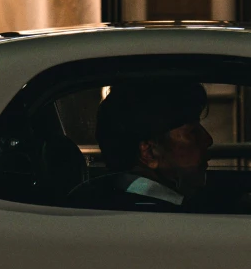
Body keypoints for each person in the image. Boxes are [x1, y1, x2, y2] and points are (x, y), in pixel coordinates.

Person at [67, 77, 212, 210]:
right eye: (192, 132)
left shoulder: (90, 200)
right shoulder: (166, 218)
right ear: (149, 153)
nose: (208, 139)